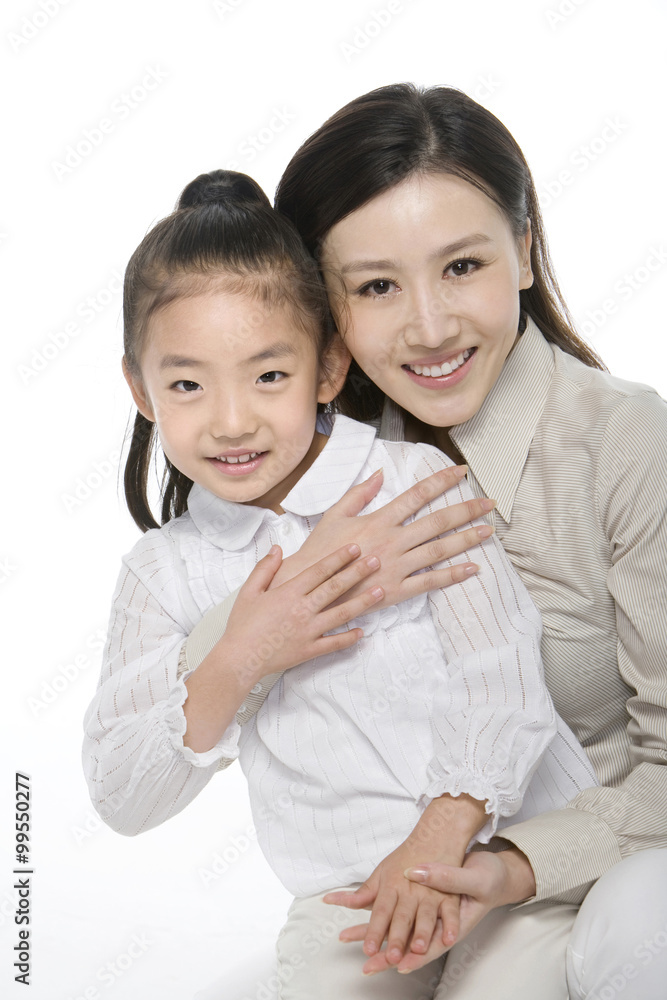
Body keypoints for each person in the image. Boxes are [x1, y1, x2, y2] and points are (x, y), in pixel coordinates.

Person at [185, 85, 667, 999]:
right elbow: (187, 718)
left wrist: (513, 863)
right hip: (385, 881)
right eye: (374, 286)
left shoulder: (625, 443)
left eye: (461, 267)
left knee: (636, 934)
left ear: (523, 251)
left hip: (594, 868)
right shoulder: (299, 460)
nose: (432, 327)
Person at [83, 168, 596, 1000]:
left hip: (501, 858)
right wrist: (244, 653)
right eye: (186, 384)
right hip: (345, 901)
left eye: (268, 376)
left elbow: (505, 680)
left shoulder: (411, 483)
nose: (231, 420)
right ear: (141, 389)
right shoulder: (162, 575)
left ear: (327, 369)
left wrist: (439, 840)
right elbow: (120, 793)